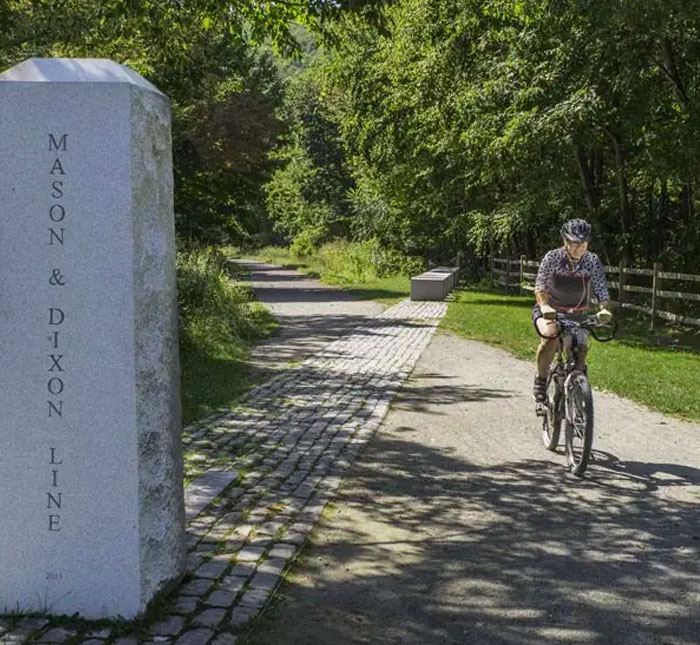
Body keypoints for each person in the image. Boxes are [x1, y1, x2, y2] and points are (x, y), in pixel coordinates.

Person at [532, 218, 612, 413]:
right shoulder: (552, 257)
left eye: (583, 243)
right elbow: (540, 286)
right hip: (551, 311)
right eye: (575, 243)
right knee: (551, 336)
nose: (579, 248)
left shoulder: (592, 261)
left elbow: (602, 290)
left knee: (581, 347)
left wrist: (604, 308)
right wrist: (544, 306)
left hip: (577, 314)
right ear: (565, 241)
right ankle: (541, 381)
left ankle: (578, 388)